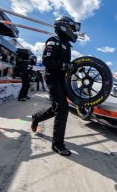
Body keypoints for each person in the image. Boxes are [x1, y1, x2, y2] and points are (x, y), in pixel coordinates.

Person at [30, 16, 81, 156]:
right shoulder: (54, 41)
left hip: (61, 79)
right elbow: (47, 61)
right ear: (63, 26)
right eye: (71, 27)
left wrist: (72, 68)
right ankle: (57, 144)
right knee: (62, 109)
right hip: (52, 78)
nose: (72, 31)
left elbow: (65, 66)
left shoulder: (66, 44)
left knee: (56, 108)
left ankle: (36, 117)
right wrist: (65, 65)